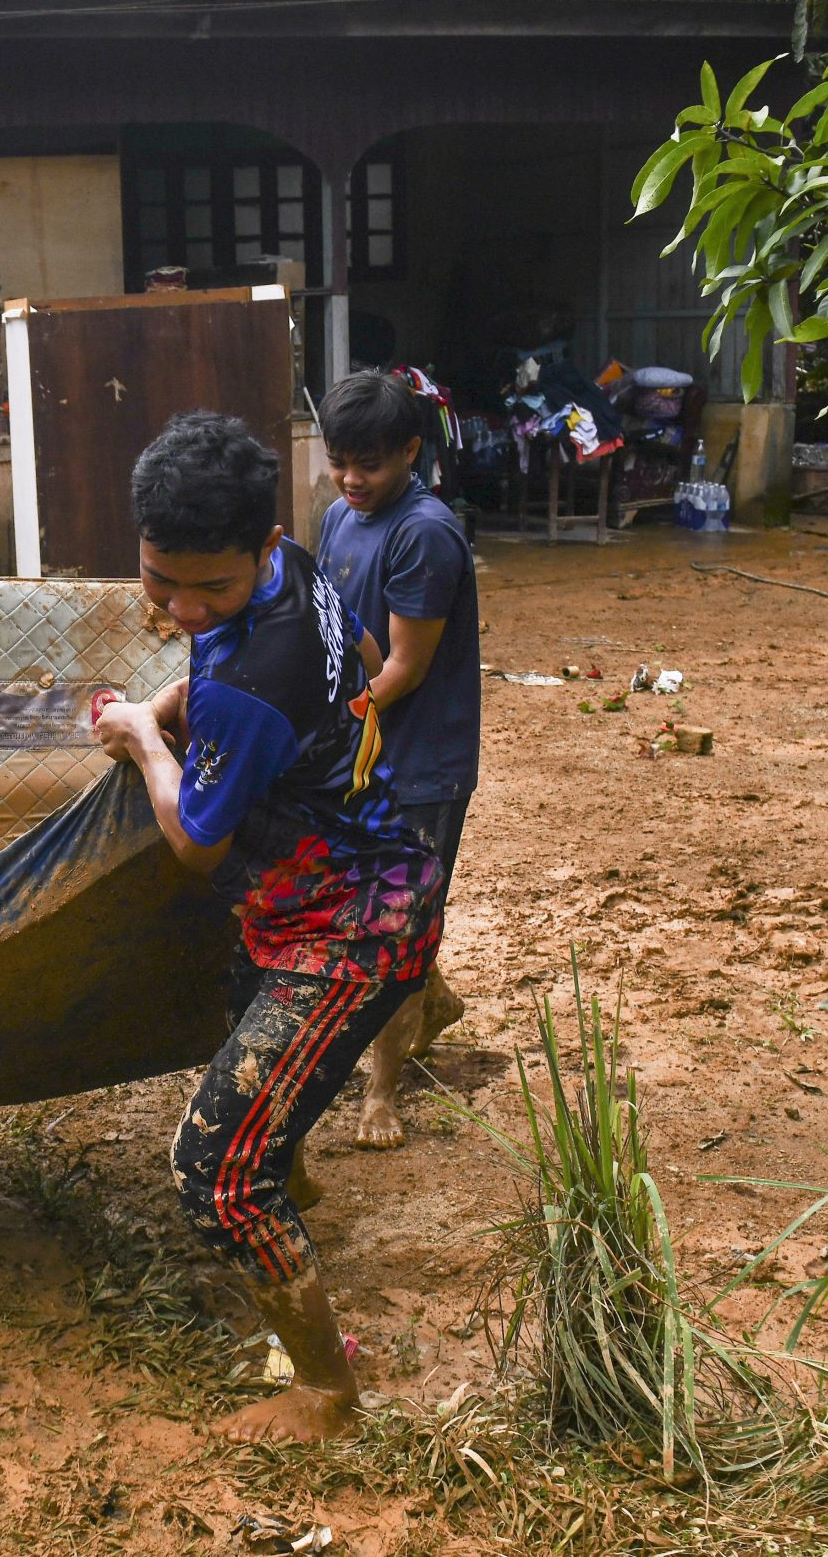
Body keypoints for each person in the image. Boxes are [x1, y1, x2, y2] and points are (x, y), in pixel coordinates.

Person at [90, 411, 445, 1445]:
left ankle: (327, 1389)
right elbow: (360, 653)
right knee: (256, 1082)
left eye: (212, 588)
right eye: (162, 580)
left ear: (258, 546)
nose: (185, 606)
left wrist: (142, 743)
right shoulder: (295, 567)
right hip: (334, 885)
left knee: (214, 1170)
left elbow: (197, 843)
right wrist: (171, 705)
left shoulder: (247, 688)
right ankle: (297, 1186)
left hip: (347, 929)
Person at [315, 371, 478, 1149]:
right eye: (340, 460)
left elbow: (404, 667)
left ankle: (382, 1092)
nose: (352, 479)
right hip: (365, 750)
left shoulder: (425, 533)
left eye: (370, 464)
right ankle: (432, 997)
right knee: (372, 905)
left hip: (419, 763)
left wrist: (324, 719)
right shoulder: (339, 519)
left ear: (411, 451)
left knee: (392, 928)